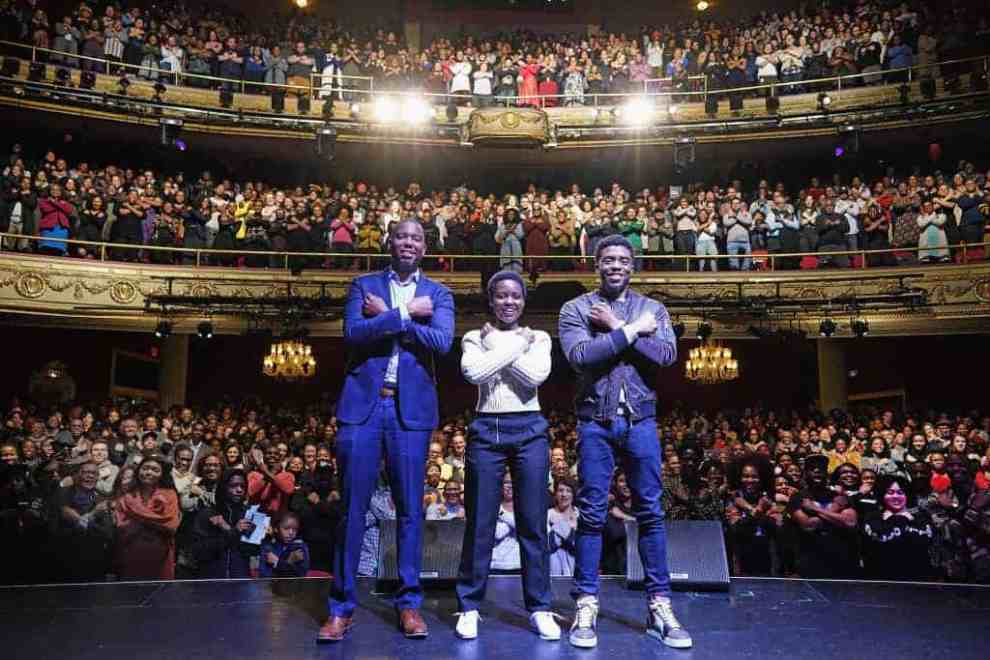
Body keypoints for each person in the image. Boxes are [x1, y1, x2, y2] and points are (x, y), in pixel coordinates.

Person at [320, 218, 454, 643]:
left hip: (409, 410)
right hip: (363, 406)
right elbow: (353, 333)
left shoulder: (439, 293)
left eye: (416, 237)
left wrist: (391, 317)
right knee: (352, 512)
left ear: (424, 246)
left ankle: (409, 604)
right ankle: (341, 608)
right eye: (401, 236)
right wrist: (406, 314)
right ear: (388, 242)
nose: (408, 243)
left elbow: (442, 343)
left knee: (410, 512)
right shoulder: (363, 285)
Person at [558, 234, 691, 649]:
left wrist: (617, 328)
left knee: (650, 512)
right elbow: (580, 356)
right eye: (608, 259)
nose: (615, 265)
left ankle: (660, 606)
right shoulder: (575, 309)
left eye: (622, 260)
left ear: (632, 266)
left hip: (641, 421)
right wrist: (634, 332)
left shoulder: (654, 308)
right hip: (594, 422)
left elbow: (666, 356)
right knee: (593, 513)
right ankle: (585, 602)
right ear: (595, 264)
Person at [454, 270, 558, 641]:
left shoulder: (540, 337)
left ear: (524, 301)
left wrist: (496, 348)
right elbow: (473, 373)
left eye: (515, 296)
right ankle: (468, 606)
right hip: (486, 429)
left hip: (530, 428)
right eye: (501, 296)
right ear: (491, 299)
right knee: (480, 523)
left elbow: (534, 379)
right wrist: (516, 346)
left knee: (533, 524)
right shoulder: (472, 336)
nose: (509, 302)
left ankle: (540, 607)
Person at [787, 453, 859, 578]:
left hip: (839, 562)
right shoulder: (797, 497)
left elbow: (850, 522)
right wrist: (836, 510)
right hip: (810, 563)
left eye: (821, 468)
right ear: (805, 473)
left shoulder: (840, 497)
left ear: (826, 472)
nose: (817, 470)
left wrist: (814, 509)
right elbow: (808, 525)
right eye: (812, 468)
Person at [112, 454, 180, 580]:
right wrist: (155, 523)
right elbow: (122, 526)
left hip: (161, 557)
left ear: (162, 474)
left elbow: (171, 526)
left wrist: (139, 521)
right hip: (131, 555)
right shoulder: (127, 496)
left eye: (155, 470)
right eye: (145, 468)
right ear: (138, 471)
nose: (149, 472)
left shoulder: (170, 495)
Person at [190, 467, 256, 579]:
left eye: (243, 486)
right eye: (233, 486)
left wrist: (260, 534)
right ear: (223, 487)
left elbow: (253, 551)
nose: (239, 490)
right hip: (212, 581)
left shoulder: (248, 515)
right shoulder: (208, 514)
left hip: (240, 579)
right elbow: (198, 551)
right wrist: (233, 532)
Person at [260, 512, 311, 578]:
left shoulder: (300, 547)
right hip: (272, 587)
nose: (291, 532)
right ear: (276, 528)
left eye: (295, 529)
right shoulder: (269, 547)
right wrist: (289, 562)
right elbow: (265, 575)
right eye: (286, 528)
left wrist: (277, 563)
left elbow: (300, 575)